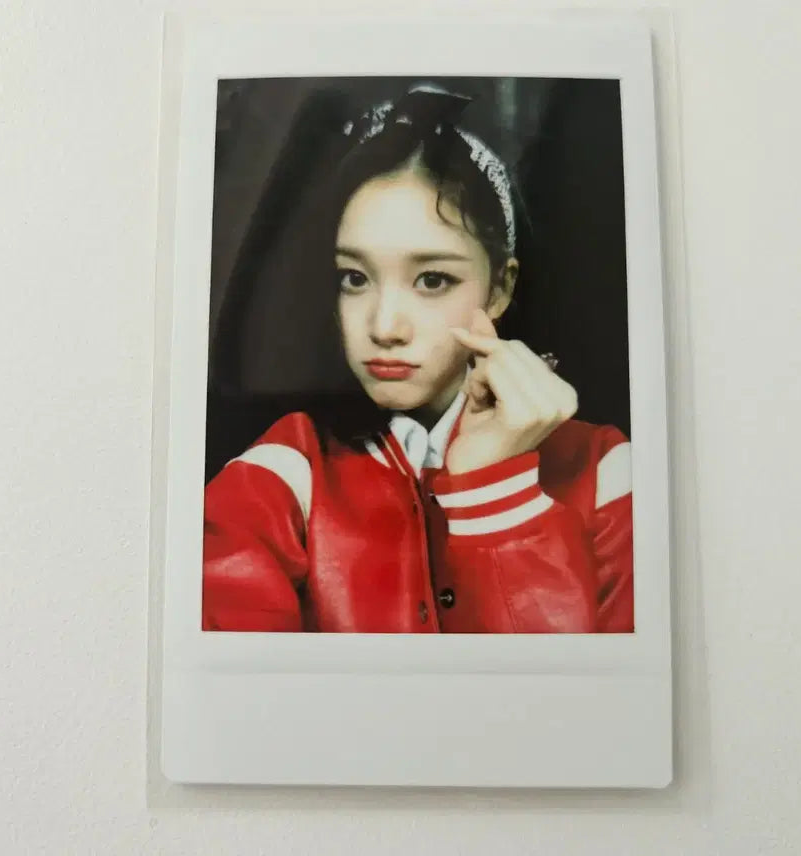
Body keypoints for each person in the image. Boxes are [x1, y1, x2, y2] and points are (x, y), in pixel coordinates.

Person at [202, 83, 634, 633]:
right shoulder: (280, 478)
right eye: (354, 278)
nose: (384, 328)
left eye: (432, 280)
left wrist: (493, 491)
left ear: (499, 289)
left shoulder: (606, 475)